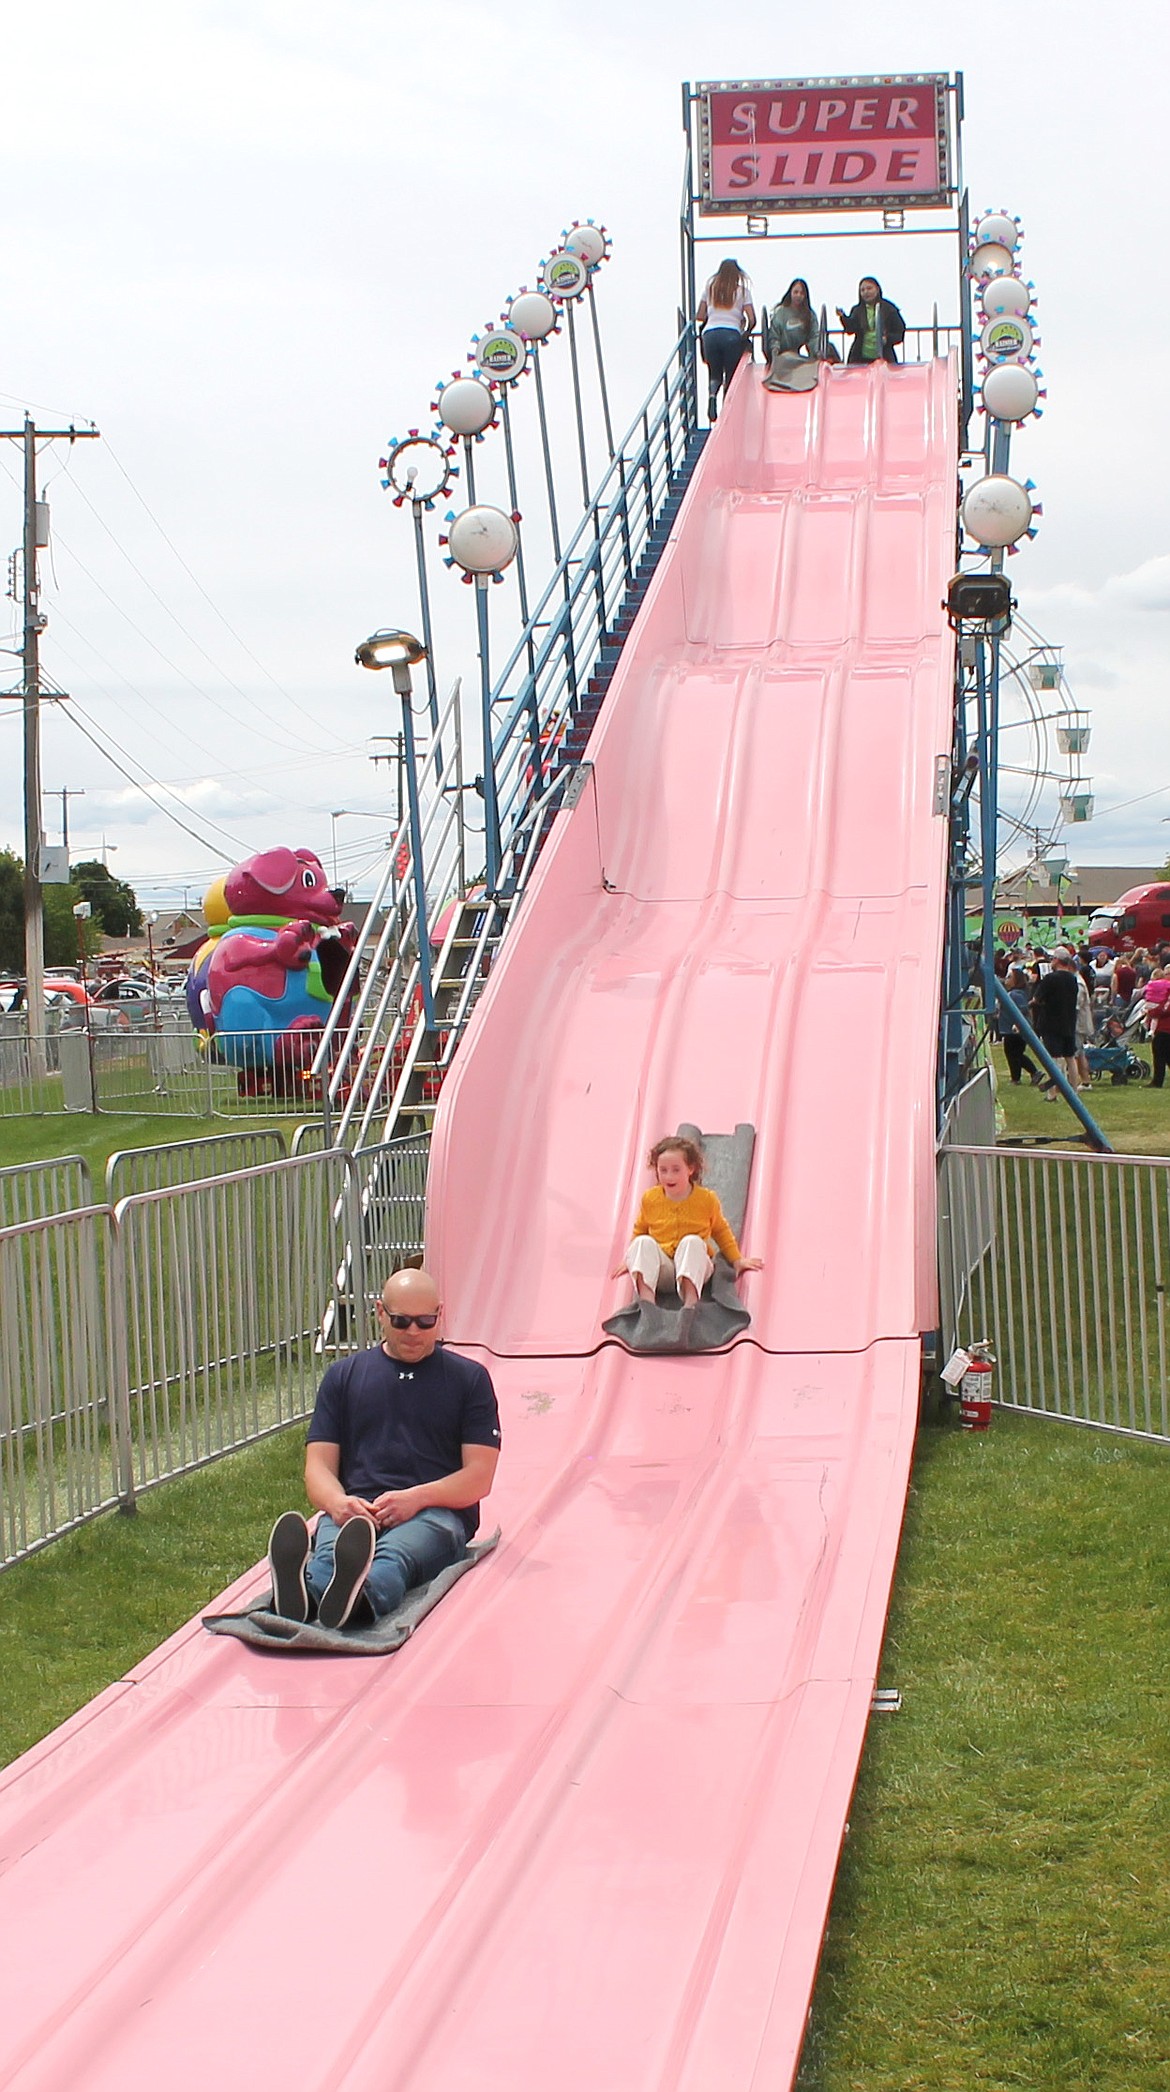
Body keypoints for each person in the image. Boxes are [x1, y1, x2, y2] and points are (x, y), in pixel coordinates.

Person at [267, 1266, 500, 1630]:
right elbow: (318, 1468)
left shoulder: (469, 1380)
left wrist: (417, 1498)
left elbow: (479, 1477)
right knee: (331, 1550)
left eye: (425, 1321)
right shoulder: (343, 1377)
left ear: (440, 1314)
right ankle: (304, 1595)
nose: (413, 1332)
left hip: (436, 1513)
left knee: (396, 1555)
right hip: (357, 1510)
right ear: (379, 1313)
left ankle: (357, 1598)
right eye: (401, 1320)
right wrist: (337, 1503)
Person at [612, 1135, 763, 1312]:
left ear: (690, 1169)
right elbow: (640, 1229)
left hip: (695, 1267)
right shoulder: (650, 1199)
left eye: (676, 1170)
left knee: (692, 1241)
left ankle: (690, 1303)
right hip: (665, 1270)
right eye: (663, 1170)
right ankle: (647, 1305)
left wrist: (737, 1260)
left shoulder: (706, 1199)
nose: (669, 1176)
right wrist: (631, 1258)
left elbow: (721, 1230)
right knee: (642, 1243)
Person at [697, 259, 756, 422]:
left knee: (714, 372)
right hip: (731, 334)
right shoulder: (743, 292)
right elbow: (753, 319)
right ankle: (726, 411)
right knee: (730, 375)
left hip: (710, 335)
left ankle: (711, 395)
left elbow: (700, 315)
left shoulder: (710, 289)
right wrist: (745, 330)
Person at [1032, 953, 1081, 1097]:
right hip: (1069, 1021)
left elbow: (1037, 998)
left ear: (1058, 961)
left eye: (1052, 959)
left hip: (1051, 1022)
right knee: (1070, 1057)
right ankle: (1074, 1090)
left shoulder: (1050, 978)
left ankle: (1051, 1093)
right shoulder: (1073, 979)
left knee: (1053, 1058)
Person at [763, 278, 821, 392]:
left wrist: (817, 352)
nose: (798, 296)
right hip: (782, 356)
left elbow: (814, 336)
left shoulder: (809, 315)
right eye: (796, 292)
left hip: (797, 357)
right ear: (790, 293)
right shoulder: (781, 312)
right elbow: (775, 334)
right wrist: (774, 352)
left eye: (801, 293)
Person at [836, 277, 906, 366]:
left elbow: (899, 331)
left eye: (869, 288)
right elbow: (851, 329)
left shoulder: (889, 308)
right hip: (859, 357)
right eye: (862, 290)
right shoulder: (857, 310)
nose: (866, 292)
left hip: (885, 357)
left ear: (877, 289)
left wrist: (887, 339)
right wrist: (843, 317)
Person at [1000, 966, 1041, 1085]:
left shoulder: (1015, 995)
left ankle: (1020, 1077)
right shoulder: (1015, 993)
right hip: (1011, 1028)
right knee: (1015, 1054)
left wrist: (1017, 1025)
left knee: (1013, 1054)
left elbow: (1021, 1010)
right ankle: (1027, 1074)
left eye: (1009, 977)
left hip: (1014, 1029)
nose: (1006, 979)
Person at [1144, 969, 1170, 1089]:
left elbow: (1165, 1009)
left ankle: (1157, 1081)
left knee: (1159, 1054)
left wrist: (1152, 1011)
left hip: (1164, 1027)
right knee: (1166, 1054)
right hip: (1164, 1027)